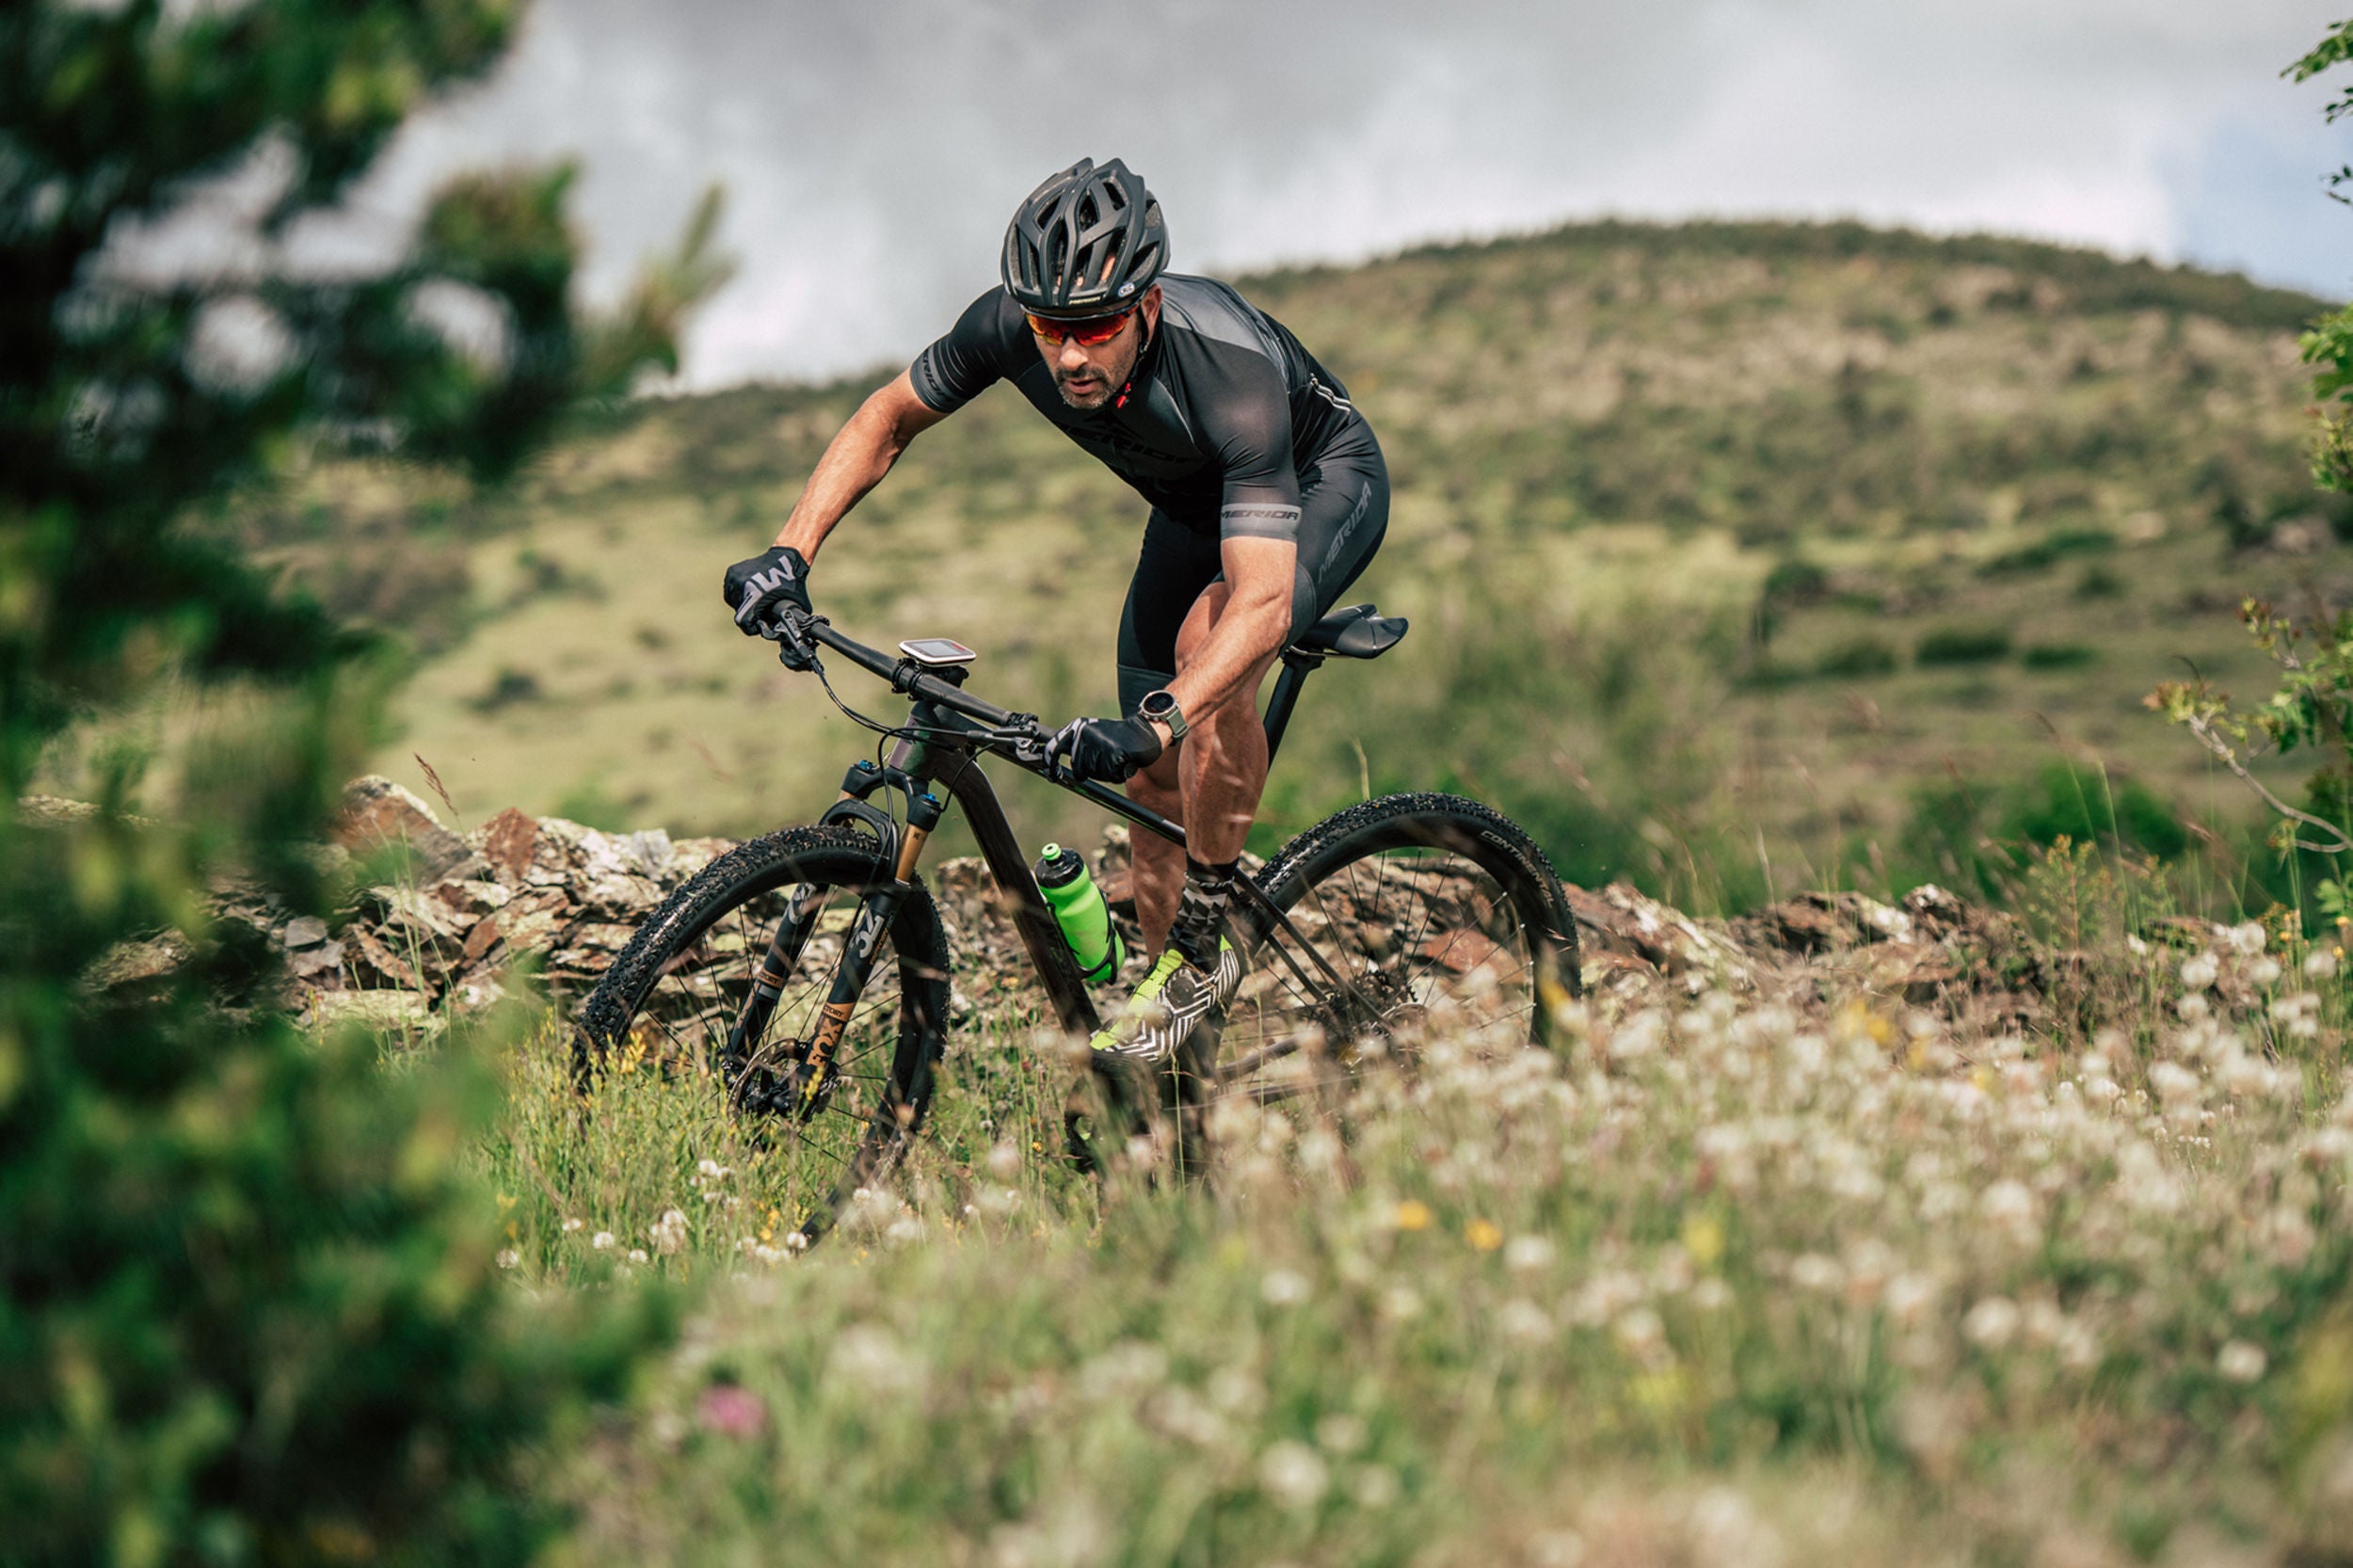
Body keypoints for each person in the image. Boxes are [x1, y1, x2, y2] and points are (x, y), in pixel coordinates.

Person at [723, 156, 1387, 1066]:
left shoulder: (1228, 375)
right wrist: (789, 553)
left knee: (1206, 654)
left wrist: (1162, 721)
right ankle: (1172, 1053)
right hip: (1191, 511)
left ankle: (1207, 938)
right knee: (1146, 788)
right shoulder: (1004, 327)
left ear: (1146, 307)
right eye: (1051, 328)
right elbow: (886, 419)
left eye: (1099, 326)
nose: (1070, 354)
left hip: (1315, 486)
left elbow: (1265, 602)